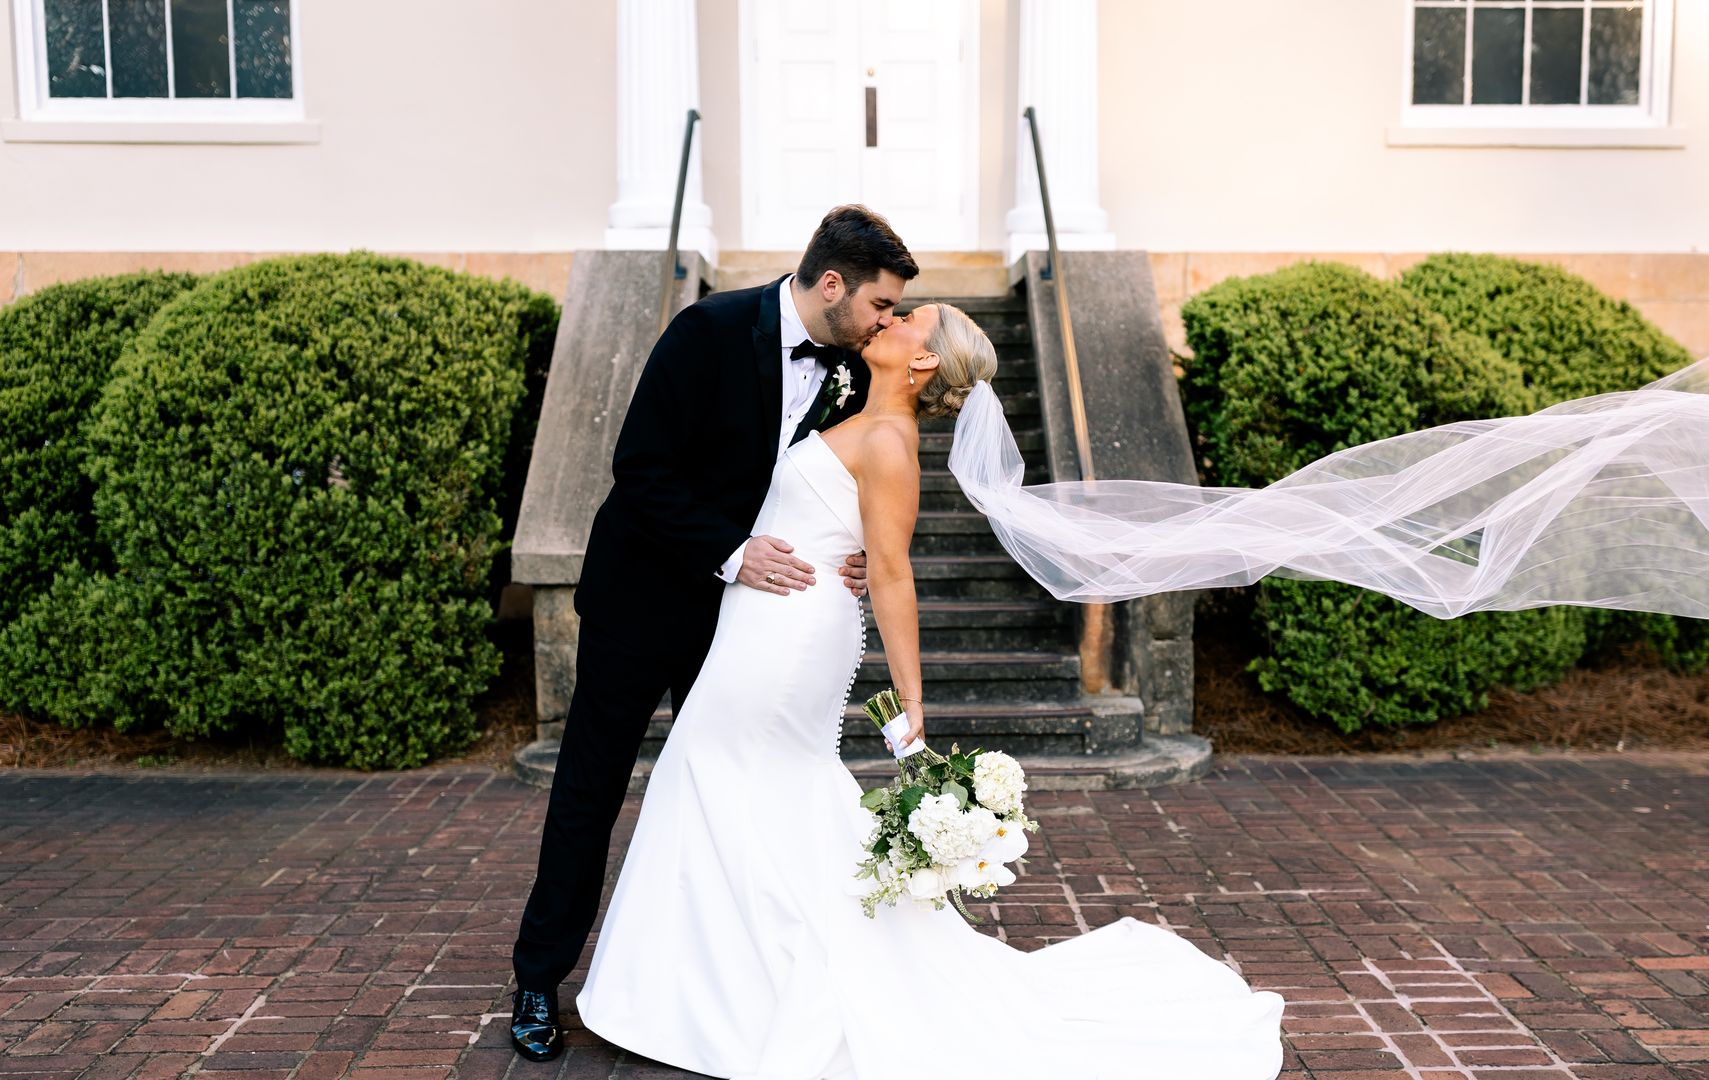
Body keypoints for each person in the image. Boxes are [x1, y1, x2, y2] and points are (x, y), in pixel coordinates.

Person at [569, 300, 1289, 1078]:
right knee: (730, 782)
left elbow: (891, 571)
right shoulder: (854, 399)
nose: (894, 315)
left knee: (723, 772)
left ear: (920, 364)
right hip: (763, 615)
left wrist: (913, 697)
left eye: (911, 316)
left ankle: (730, 994)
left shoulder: (889, 440)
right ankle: (716, 987)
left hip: (788, 634)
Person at [507, 205, 921, 1062]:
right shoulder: (707, 330)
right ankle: (539, 980)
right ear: (832, 283)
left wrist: (842, 547)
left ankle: (715, 985)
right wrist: (733, 553)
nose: (887, 323)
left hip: (749, 628)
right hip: (644, 598)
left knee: (728, 795)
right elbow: (641, 470)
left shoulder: (851, 371)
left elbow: (832, 485)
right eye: (881, 305)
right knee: (591, 787)